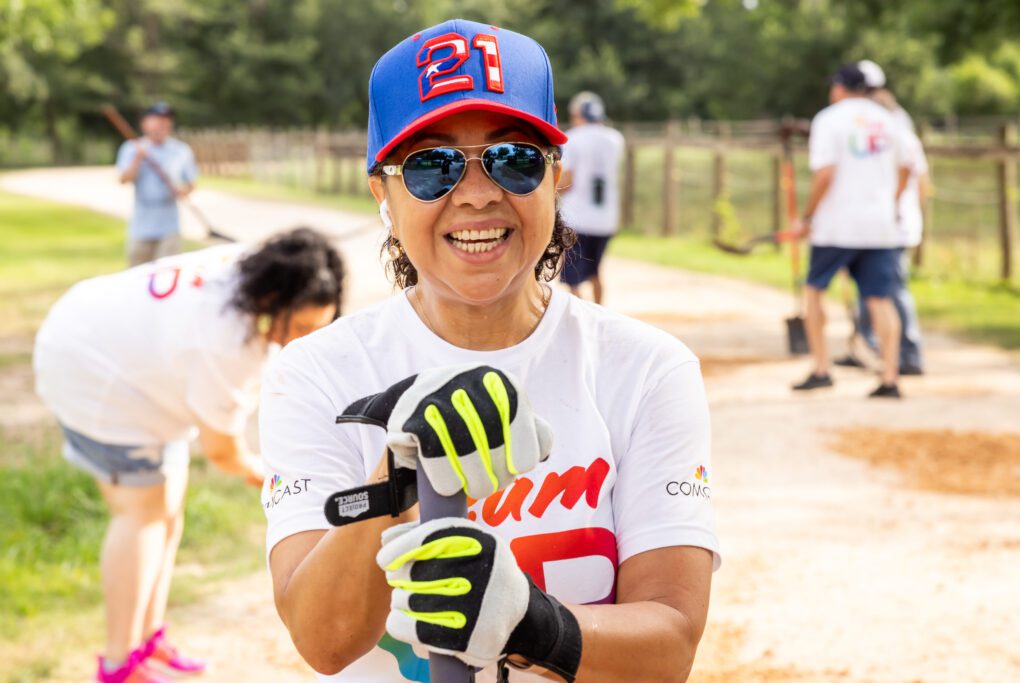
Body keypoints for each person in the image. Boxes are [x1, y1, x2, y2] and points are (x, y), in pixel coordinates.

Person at [262, 19, 719, 683]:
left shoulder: (646, 368)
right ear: (381, 192)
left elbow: (670, 645)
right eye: (430, 166)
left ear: (555, 176)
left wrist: (535, 624)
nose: (477, 192)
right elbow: (324, 640)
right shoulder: (318, 374)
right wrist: (395, 478)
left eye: (514, 157)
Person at [34, 228, 344, 683]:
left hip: (125, 352)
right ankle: (120, 665)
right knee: (141, 514)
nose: (305, 340)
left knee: (168, 512)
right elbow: (221, 450)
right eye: (299, 328)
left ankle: (147, 641)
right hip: (90, 367)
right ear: (273, 299)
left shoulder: (255, 271)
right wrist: (259, 472)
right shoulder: (227, 343)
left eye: (320, 327)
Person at [791, 63, 912, 399]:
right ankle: (890, 377)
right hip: (880, 225)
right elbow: (907, 167)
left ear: (840, 88)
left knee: (814, 292)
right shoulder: (889, 119)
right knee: (881, 300)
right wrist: (891, 201)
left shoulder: (829, 119)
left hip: (836, 225)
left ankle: (821, 368)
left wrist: (807, 216)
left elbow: (825, 175)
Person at [842, 66, 928, 376]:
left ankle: (909, 353)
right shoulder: (880, 135)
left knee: (892, 290)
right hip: (878, 225)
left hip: (893, 227)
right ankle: (874, 347)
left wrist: (892, 207)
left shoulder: (897, 135)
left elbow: (913, 176)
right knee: (873, 291)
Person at [557, 91, 625, 304]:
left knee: (573, 276)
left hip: (578, 217)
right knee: (596, 269)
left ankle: (584, 315)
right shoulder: (615, 139)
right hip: (606, 217)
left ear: (577, 114)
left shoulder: (573, 139)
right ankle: (600, 309)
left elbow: (568, 179)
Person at [116, 102, 198, 266]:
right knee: (137, 276)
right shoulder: (132, 148)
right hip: (141, 226)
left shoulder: (181, 150)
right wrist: (138, 158)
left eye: (166, 120)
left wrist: (182, 191)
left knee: (167, 276)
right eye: (158, 120)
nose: (163, 124)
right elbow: (124, 179)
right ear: (145, 123)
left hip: (169, 227)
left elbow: (191, 183)